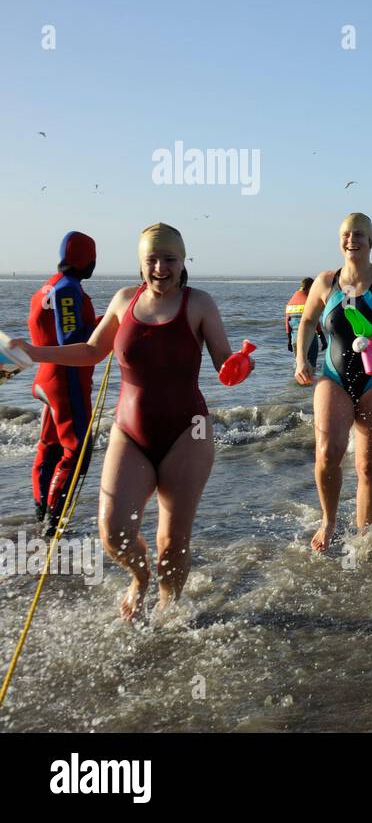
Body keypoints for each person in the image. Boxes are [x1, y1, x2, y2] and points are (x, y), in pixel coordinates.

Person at [14, 224, 252, 620]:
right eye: (151, 260)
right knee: (114, 534)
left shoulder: (200, 304)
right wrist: (34, 353)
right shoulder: (124, 300)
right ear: (141, 264)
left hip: (188, 431)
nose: (160, 268)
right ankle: (140, 579)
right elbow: (92, 351)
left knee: (173, 542)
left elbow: (224, 366)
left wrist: (238, 367)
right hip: (130, 431)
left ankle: (168, 610)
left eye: (169, 260)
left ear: (183, 261)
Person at [294, 213, 372, 553]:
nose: (352, 239)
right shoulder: (325, 281)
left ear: (371, 241)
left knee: (368, 465)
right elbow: (308, 321)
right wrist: (302, 358)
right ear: (340, 240)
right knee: (328, 453)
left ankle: (365, 533)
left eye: (360, 234)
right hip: (333, 377)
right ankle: (329, 520)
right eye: (347, 234)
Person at [26, 232, 98, 537]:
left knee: (51, 446)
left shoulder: (49, 285)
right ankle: (53, 524)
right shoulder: (68, 290)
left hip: (46, 377)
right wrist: (108, 324)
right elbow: (72, 339)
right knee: (78, 451)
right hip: (65, 381)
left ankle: (41, 512)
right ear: (87, 261)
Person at [285, 277, 326, 370]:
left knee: (299, 366)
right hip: (309, 339)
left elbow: (287, 323)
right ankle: (312, 384)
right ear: (311, 288)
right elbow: (314, 322)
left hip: (295, 339)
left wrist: (289, 340)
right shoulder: (308, 301)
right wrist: (322, 338)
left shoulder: (290, 302)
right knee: (311, 366)